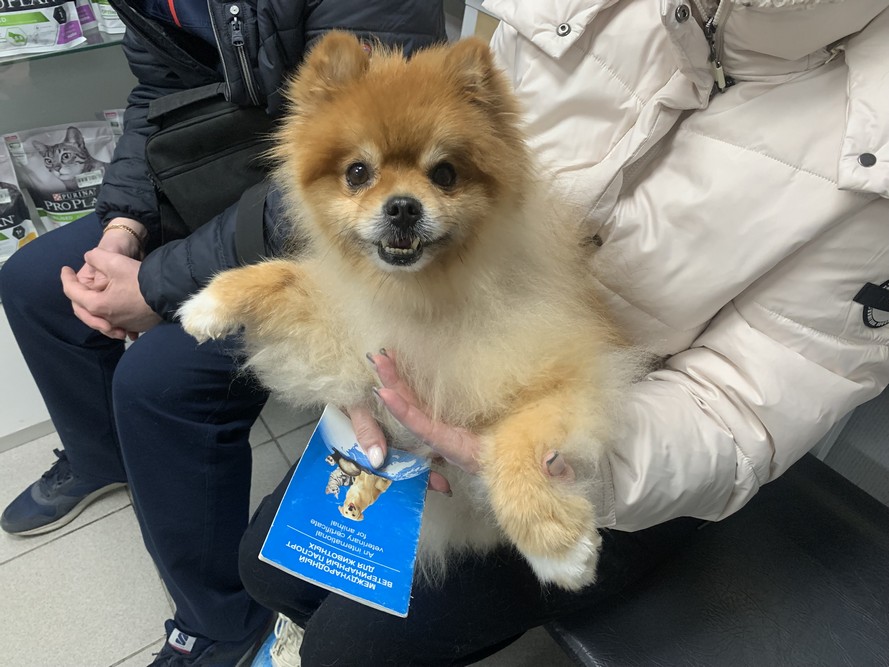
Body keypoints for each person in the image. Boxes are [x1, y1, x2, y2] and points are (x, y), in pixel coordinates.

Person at [236, 0, 889, 665]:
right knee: (266, 567)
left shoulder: (877, 148)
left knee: (347, 648)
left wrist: (551, 466)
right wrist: (350, 359)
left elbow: (740, 411)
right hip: (433, 369)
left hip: (626, 452)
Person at [0, 1, 445, 665]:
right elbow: (157, 95)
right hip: (229, 172)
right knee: (33, 283)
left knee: (158, 381)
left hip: (341, 224)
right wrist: (124, 226)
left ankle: (220, 621)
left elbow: (358, 171)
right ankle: (102, 456)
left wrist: (154, 286)